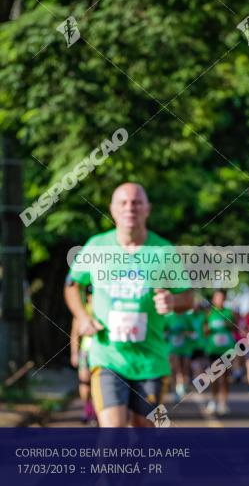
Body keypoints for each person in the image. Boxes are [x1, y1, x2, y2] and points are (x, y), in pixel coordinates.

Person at [63, 183, 194, 428]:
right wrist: (81, 316)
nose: (129, 208)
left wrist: (173, 300)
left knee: (144, 433)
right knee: (112, 433)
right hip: (108, 357)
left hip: (150, 361)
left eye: (136, 202)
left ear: (148, 209)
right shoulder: (96, 247)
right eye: (123, 203)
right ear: (112, 209)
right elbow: (72, 285)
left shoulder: (164, 251)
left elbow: (188, 297)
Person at [204, 289, 235, 415]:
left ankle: (223, 403)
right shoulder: (209, 313)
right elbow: (204, 330)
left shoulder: (229, 312)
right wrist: (208, 329)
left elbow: (234, 326)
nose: (219, 300)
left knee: (225, 377)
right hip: (213, 349)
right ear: (213, 300)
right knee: (213, 377)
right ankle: (213, 401)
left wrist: (225, 323)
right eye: (217, 298)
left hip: (226, 349)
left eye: (221, 298)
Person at [69, 288, 96, 424]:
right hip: (86, 350)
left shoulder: (105, 308)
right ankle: (87, 408)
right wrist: (74, 353)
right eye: (90, 294)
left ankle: (97, 411)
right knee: (85, 381)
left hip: (102, 352)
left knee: (99, 382)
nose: (91, 297)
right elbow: (74, 335)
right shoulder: (82, 311)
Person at [165, 310, 192, 402]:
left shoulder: (187, 317)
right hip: (172, 348)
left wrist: (186, 333)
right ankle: (175, 391)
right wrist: (167, 333)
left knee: (184, 369)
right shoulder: (168, 317)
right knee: (174, 369)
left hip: (185, 347)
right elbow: (164, 332)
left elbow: (193, 332)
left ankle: (181, 387)